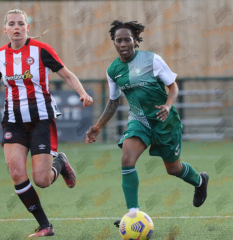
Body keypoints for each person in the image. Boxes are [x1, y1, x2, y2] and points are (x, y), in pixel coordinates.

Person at [0, 9, 93, 237]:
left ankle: (59, 162)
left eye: (20, 23)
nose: (16, 27)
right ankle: (45, 225)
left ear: (27, 28)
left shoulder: (41, 50)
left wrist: (82, 93)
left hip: (41, 119)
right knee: (16, 173)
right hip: (13, 122)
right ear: (5, 29)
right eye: (11, 24)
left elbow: (67, 74)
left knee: (42, 180)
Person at [85, 21, 209, 226]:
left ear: (135, 40)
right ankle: (133, 214)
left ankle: (200, 181)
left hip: (164, 122)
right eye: (118, 40)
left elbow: (173, 87)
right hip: (139, 121)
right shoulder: (113, 70)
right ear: (114, 43)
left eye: (127, 39)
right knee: (127, 159)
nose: (123, 43)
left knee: (173, 169)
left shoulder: (152, 60)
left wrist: (168, 106)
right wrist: (98, 126)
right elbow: (114, 101)